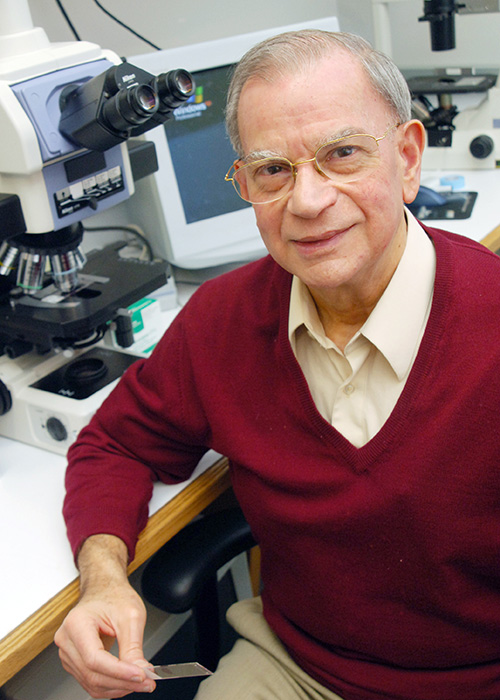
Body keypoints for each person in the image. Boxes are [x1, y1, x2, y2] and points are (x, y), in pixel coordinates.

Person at [54, 29, 500, 700]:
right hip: (299, 665)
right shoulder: (220, 323)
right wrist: (103, 580)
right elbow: (115, 443)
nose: (308, 201)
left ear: (408, 159)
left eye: (342, 154)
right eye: (272, 170)